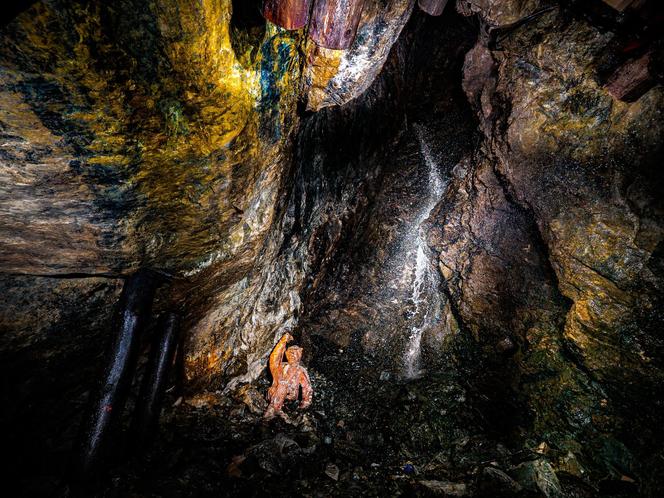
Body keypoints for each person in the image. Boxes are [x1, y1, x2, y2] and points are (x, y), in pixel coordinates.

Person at [264, 332, 313, 420]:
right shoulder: (281, 367)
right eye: (290, 352)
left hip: (289, 399)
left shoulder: (300, 371)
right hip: (274, 397)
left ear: (300, 352)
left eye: (295, 352)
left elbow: (307, 388)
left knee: (283, 385)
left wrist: (304, 404)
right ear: (286, 353)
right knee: (281, 384)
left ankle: (275, 409)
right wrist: (283, 341)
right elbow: (274, 358)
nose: (292, 355)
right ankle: (274, 409)